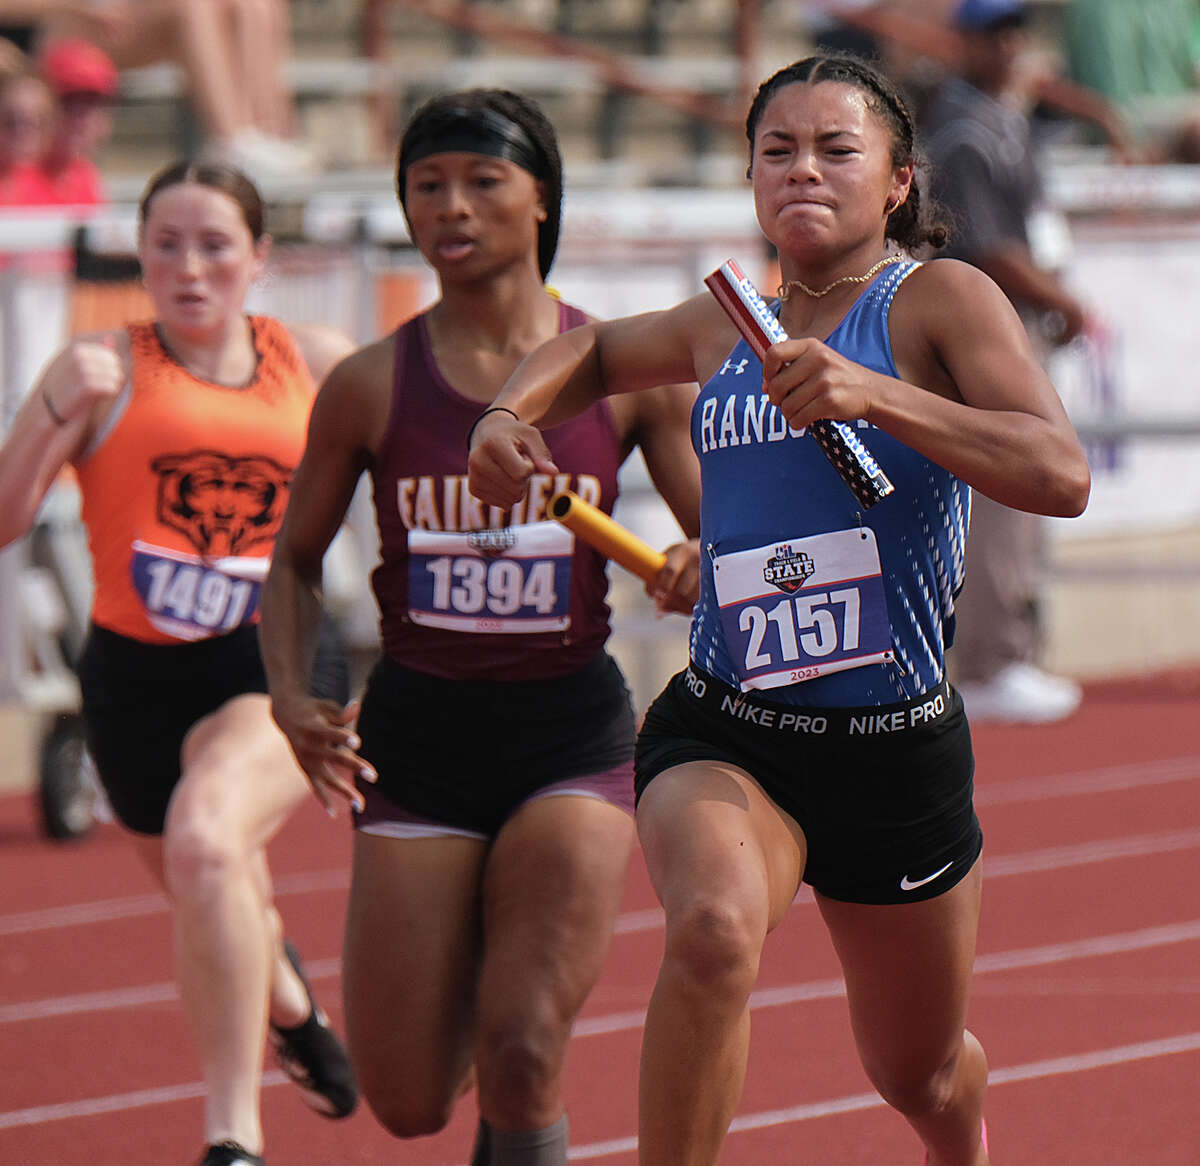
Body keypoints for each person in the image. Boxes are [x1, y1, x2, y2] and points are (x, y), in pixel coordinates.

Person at [467, 53, 1090, 1166]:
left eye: (837, 149)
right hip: (731, 726)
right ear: (751, 174)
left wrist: (875, 392)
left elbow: (1058, 472)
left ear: (898, 179)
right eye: (777, 149)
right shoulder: (727, 324)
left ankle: (962, 1135)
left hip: (893, 750)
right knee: (709, 933)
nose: (803, 169)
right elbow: (596, 350)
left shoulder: (941, 300)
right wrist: (506, 415)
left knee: (919, 1068)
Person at [258, 88, 701, 1166]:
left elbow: (723, 542)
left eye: (481, 180)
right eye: (426, 185)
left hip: (571, 739)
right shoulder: (370, 384)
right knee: (406, 1098)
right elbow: (294, 558)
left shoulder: (622, 373)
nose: (450, 205)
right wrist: (290, 692)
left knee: (523, 1040)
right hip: (417, 742)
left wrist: (701, 562)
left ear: (540, 196)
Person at [0, 159, 360, 1166]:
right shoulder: (100, 364)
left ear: (259, 258)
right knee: (210, 879)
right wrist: (45, 412)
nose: (189, 267)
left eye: (214, 245)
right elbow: (5, 517)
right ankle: (288, 997)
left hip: (275, 663)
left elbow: (437, 446)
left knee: (209, 842)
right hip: (133, 681)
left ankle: (230, 1137)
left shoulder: (318, 361)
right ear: (138, 253)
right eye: (166, 245)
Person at [923, 0, 1089, 723]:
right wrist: (1065, 299)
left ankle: (1003, 647)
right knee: (1001, 493)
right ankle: (989, 657)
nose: (1011, 45)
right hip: (983, 325)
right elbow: (988, 247)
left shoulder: (999, 119)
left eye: (1017, 30)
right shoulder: (964, 132)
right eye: (995, 32)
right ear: (963, 41)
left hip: (1007, 320)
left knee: (1020, 494)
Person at [0, 0, 314, 176]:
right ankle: (231, 140)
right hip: (39, 32)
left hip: (99, 17)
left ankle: (270, 131)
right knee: (193, 6)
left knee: (255, 5)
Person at [1063, 0, 1200, 163]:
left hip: (1175, 113)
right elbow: (1113, 106)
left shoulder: (1179, 6)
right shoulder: (1100, 8)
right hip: (1126, 119)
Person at [37, 35, 115, 204]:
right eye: (68, 103)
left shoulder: (86, 177)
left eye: (92, 104)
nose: (81, 120)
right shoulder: (12, 179)